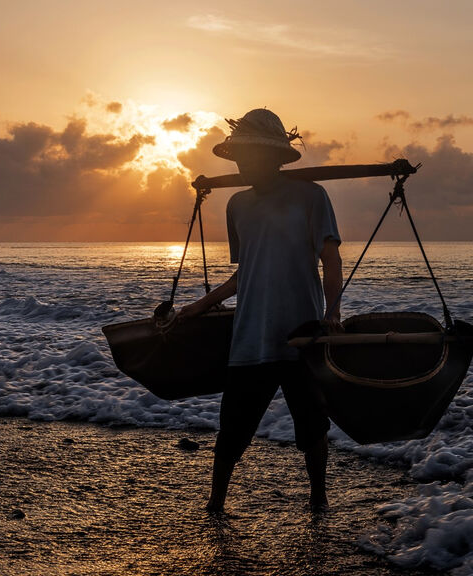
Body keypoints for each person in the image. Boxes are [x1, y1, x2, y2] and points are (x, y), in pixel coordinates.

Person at [178, 108, 342, 514]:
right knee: (232, 427)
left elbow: (330, 258)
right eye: (238, 157)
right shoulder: (237, 205)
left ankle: (318, 499)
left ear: (273, 157)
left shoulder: (311, 196)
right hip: (250, 335)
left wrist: (333, 315)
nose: (242, 164)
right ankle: (215, 503)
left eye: (250, 156)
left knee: (312, 424)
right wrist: (201, 304)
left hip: (302, 334)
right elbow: (244, 275)